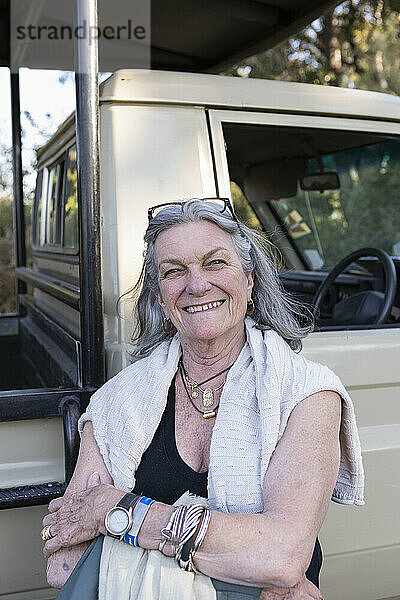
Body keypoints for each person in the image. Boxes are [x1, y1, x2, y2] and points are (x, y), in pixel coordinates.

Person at [41, 198, 364, 599]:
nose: (196, 285)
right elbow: (64, 562)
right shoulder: (118, 402)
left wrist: (117, 511)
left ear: (249, 281)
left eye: (215, 263)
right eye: (174, 271)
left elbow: (281, 557)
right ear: (161, 298)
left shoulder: (306, 394)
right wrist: (243, 568)